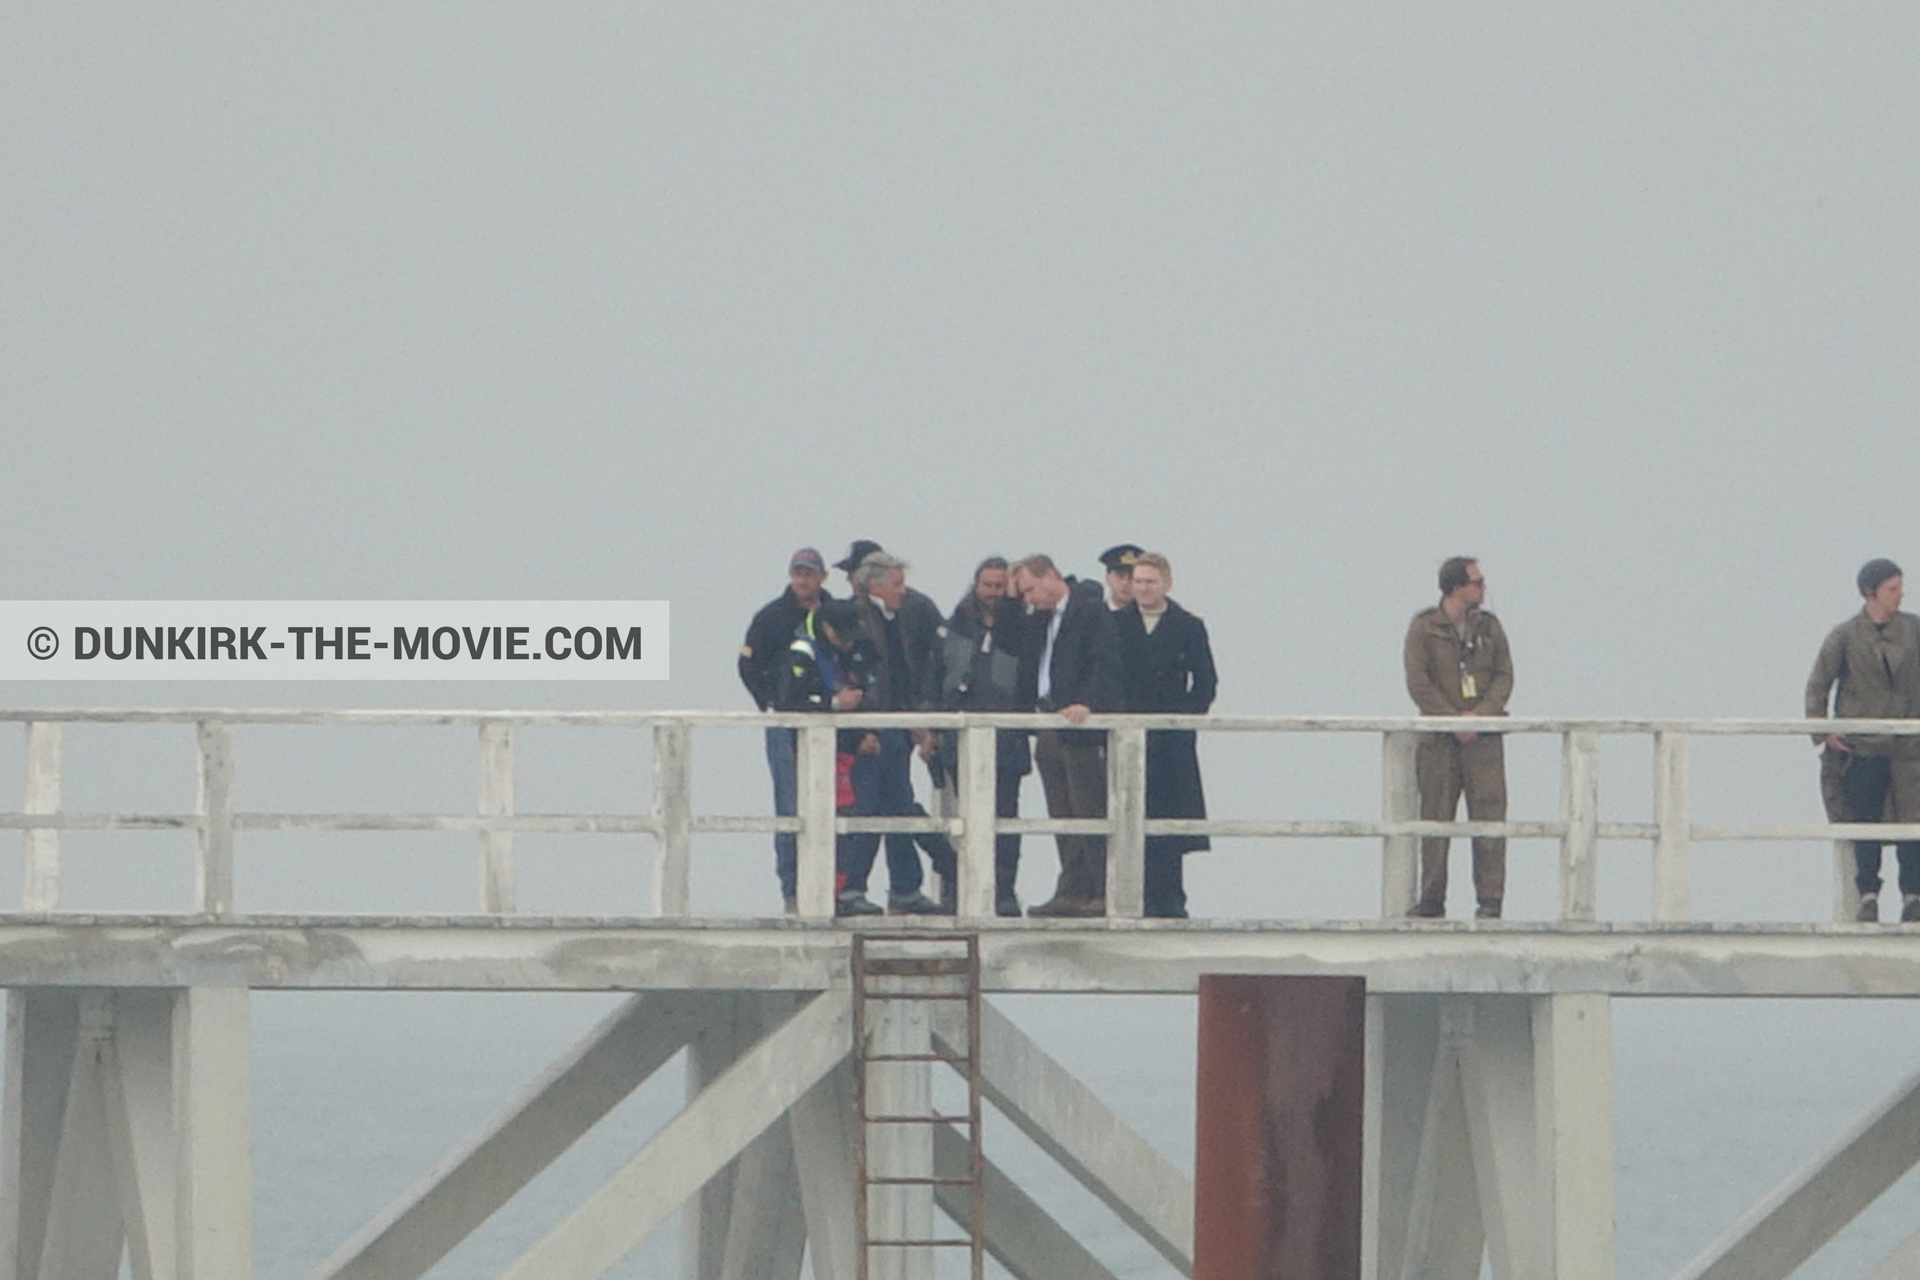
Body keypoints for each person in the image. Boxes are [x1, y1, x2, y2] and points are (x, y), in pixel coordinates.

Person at [1806, 558, 1920, 923]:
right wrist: (1823, 731)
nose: (1900, 594)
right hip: (1863, 748)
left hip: (1909, 749)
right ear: (1871, 593)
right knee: (1865, 822)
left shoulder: (1915, 631)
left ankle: (1913, 897)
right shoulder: (1844, 636)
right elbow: (1817, 686)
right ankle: (1867, 895)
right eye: (1893, 588)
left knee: (1913, 824)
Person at [1011, 553, 1125, 916]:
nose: (1028, 599)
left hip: (1079, 725)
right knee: (1061, 810)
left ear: (1050, 577)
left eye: (1030, 589)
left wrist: (1088, 704)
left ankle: (1102, 889)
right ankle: (1072, 887)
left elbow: (1104, 662)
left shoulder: (1090, 610)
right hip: (1048, 722)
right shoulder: (1038, 620)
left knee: (1087, 807)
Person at [845, 551, 958, 914]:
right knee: (873, 807)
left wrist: (916, 718)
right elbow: (857, 676)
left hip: (896, 727)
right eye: (896, 584)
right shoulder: (857, 619)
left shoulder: (900, 617)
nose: (903, 591)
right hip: (874, 731)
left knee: (897, 805)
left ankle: (905, 888)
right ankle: (854, 888)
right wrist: (864, 727)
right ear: (874, 586)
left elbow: (904, 674)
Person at [1403, 556, 1514, 920]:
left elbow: (1504, 676)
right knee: (1435, 820)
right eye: (1476, 582)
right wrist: (1451, 720)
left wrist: (1479, 716)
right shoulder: (1424, 628)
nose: (1483, 588)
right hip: (1439, 743)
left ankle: (1490, 901)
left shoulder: (1490, 628)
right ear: (1455, 587)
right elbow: (1419, 682)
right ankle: (1432, 899)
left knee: (1489, 819)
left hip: (1483, 742)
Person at [1114, 553, 1217, 918]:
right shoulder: (1114, 624)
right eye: (1138, 581)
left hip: (1171, 742)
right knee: (1129, 818)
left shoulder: (1188, 626)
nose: (1143, 588)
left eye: (1150, 581)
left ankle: (1171, 900)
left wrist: (1183, 720)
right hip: (1127, 739)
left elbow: (1206, 683)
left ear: (1167, 584)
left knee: (1170, 823)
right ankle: (1133, 898)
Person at [770, 598, 883, 915]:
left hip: (844, 752)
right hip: (805, 753)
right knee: (807, 818)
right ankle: (808, 893)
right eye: (842, 633)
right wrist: (833, 705)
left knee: (847, 820)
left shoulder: (850, 648)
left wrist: (863, 732)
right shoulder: (800, 651)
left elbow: (865, 689)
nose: (848, 641)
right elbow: (790, 701)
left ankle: (838, 892)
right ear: (826, 626)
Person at [737, 548, 830, 910]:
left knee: (831, 804)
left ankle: (827, 888)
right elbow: (747, 665)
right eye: (797, 573)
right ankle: (792, 889)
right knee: (790, 806)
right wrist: (770, 703)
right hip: (785, 724)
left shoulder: (833, 613)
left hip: (829, 723)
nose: (803, 580)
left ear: (822, 577)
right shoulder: (772, 617)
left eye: (809, 573)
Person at [941, 557, 1031, 916]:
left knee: (1005, 819)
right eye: (987, 585)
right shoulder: (956, 624)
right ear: (975, 585)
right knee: (961, 819)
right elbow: (939, 673)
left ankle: (1003, 891)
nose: (993, 593)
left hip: (1007, 738)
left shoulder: (1022, 626)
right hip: (959, 737)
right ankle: (958, 889)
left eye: (1000, 586)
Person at [1099, 544, 1144, 610]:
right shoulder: (1092, 616)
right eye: (1120, 576)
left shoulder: (1151, 617)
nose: (1125, 583)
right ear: (1107, 578)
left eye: (1132, 577)